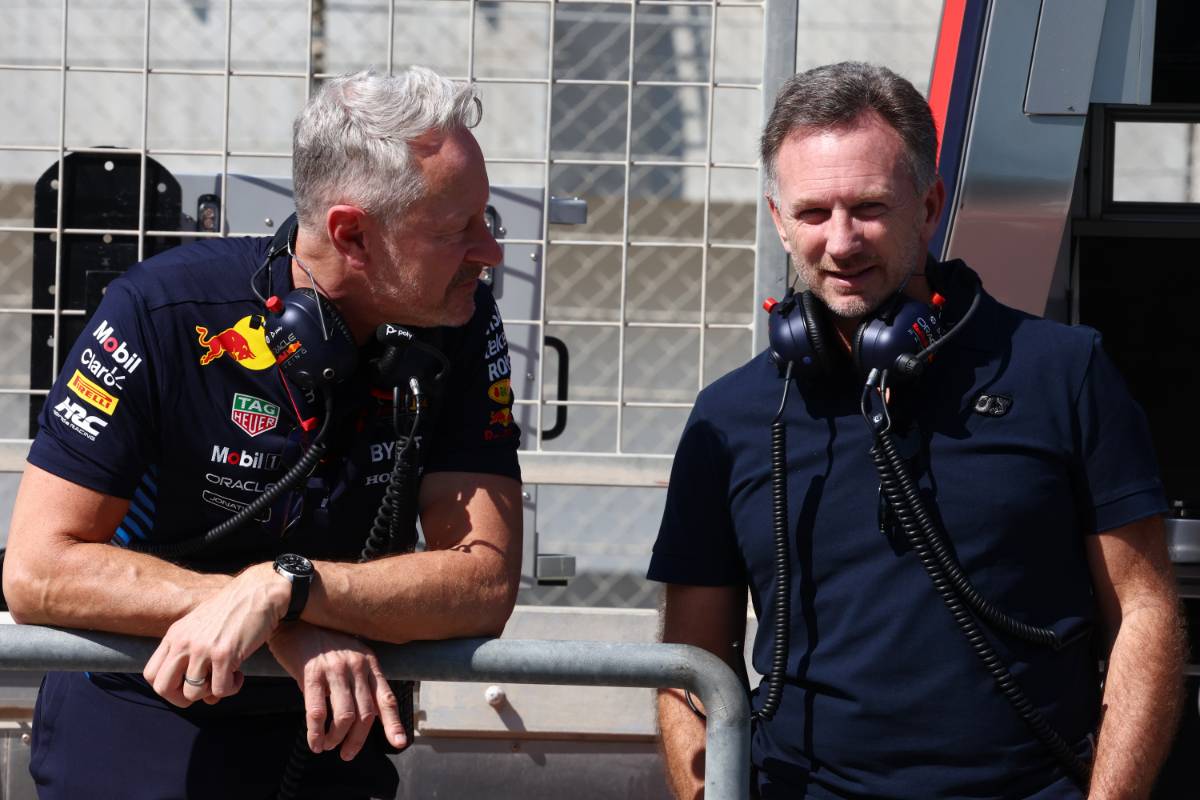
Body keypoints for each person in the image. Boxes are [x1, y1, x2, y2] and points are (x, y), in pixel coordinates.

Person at [649, 62, 1185, 799]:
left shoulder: (1065, 373)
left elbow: (1144, 611)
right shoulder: (731, 416)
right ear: (777, 219)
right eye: (812, 213)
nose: (841, 242)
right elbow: (689, 660)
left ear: (928, 206)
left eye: (868, 207)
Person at [2, 66, 524, 799]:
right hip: (140, 720)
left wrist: (290, 588)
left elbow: (483, 581)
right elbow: (38, 570)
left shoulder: (459, 326)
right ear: (353, 235)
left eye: (488, 221)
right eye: (455, 229)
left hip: (333, 727)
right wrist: (271, 617)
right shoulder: (163, 311)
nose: (490, 252)